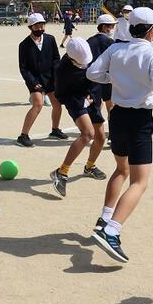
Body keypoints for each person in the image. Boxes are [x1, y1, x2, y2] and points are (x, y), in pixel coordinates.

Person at [87, 7, 153, 263]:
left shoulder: (116, 49)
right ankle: (112, 230)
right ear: (151, 30)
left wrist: (115, 78)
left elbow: (92, 73)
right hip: (140, 119)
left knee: (121, 170)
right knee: (140, 182)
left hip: (117, 116)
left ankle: (105, 218)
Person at [49, 38, 107, 198]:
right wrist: (82, 102)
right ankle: (61, 172)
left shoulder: (89, 56)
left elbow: (95, 77)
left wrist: (93, 98)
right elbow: (61, 96)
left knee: (101, 137)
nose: (85, 65)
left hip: (92, 98)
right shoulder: (62, 70)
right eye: (80, 63)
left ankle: (89, 167)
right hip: (76, 102)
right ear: (70, 57)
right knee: (88, 134)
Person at [17, 13, 68, 148]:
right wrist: (33, 82)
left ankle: (55, 130)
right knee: (38, 104)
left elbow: (56, 59)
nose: (40, 28)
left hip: (50, 78)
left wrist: (57, 76)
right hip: (34, 80)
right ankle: (23, 135)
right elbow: (23, 68)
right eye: (37, 26)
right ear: (30, 27)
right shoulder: (24, 45)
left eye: (42, 25)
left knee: (57, 104)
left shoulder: (50, 39)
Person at [87, 13, 118, 117]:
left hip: (92, 77)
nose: (113, 28)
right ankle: (112, 125)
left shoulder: (90, 40)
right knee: (110, 105)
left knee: (97, 105)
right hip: (107, 77)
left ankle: (96, 124)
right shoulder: (110, 42)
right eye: (112, 26)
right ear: (104, 27)